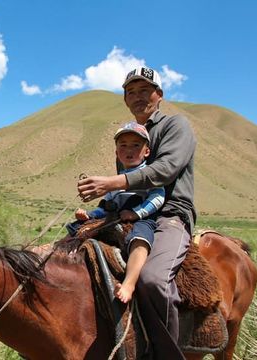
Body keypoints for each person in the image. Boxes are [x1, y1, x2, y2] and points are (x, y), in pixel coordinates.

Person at [77, 66, 196, 360]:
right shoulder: (129, 136)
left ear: (159, 95)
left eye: (145, 90)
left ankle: (168, 354)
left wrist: (112, 182)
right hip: (130, 213)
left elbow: (166, 170)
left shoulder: (175, 126)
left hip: (169, 213)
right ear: (125, 99)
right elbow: (125, 192)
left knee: (153, 278)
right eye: (131, 92)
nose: (138, 97)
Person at [66, 122, 165, 304]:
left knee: (140, 240)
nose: (129, 150)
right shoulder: (115, 180)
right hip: (114, 217)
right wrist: (89, 215)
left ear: (146, 151)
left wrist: (137, 214)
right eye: (123, 145)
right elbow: (105, 206)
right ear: (117, 152)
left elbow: (158, 198)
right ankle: (62, 260)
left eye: (136, 145)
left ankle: (129, 283)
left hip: (141, 220)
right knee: (77, 228)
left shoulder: (149, 174)